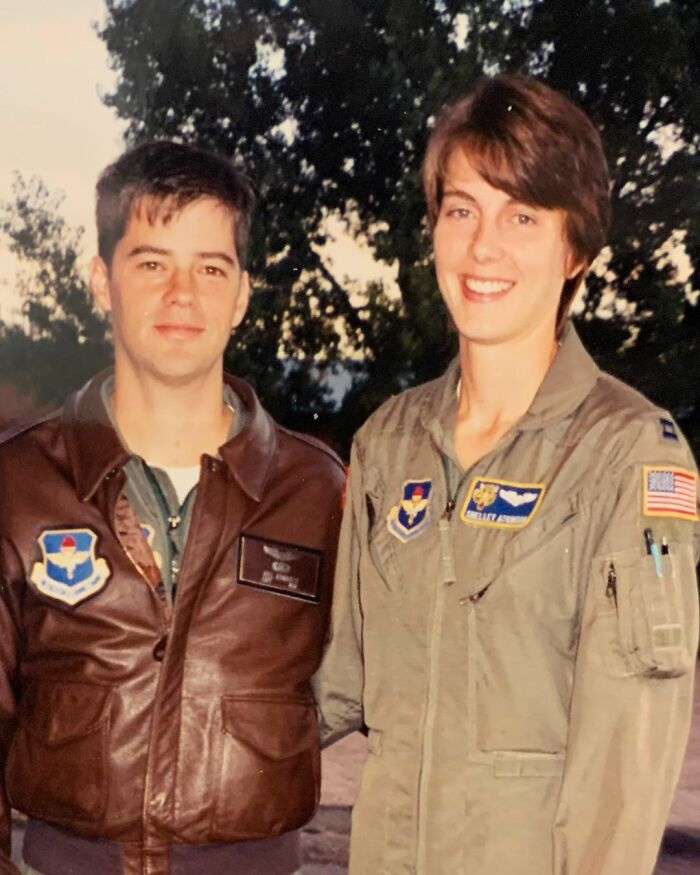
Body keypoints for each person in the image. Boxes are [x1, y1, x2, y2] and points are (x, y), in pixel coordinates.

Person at [313, 74, 700, 875]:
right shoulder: (388, 443)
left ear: (575, 249)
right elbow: (333, 687)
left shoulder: (626, 454)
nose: (483, 247)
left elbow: (621, 770)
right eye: (462, 210)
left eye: (522, 215)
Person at [0, 140, 344, 875]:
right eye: (152, 262)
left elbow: (367, 687)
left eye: (210, 268)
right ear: (102, 280)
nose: (182, 294)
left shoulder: (319, 492)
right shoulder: (20, 482)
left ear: (242, 293)